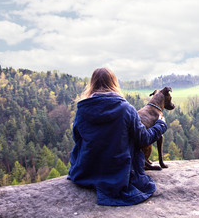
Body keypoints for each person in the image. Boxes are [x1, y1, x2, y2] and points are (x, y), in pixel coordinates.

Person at [67, 67, 167, 206]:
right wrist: (160, 125)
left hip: (85, 171)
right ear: (114, 83)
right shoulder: (126, 109)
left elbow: (77, 138)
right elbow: (143, 139)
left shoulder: (82, 109)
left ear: (92, 84)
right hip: (118, 174)